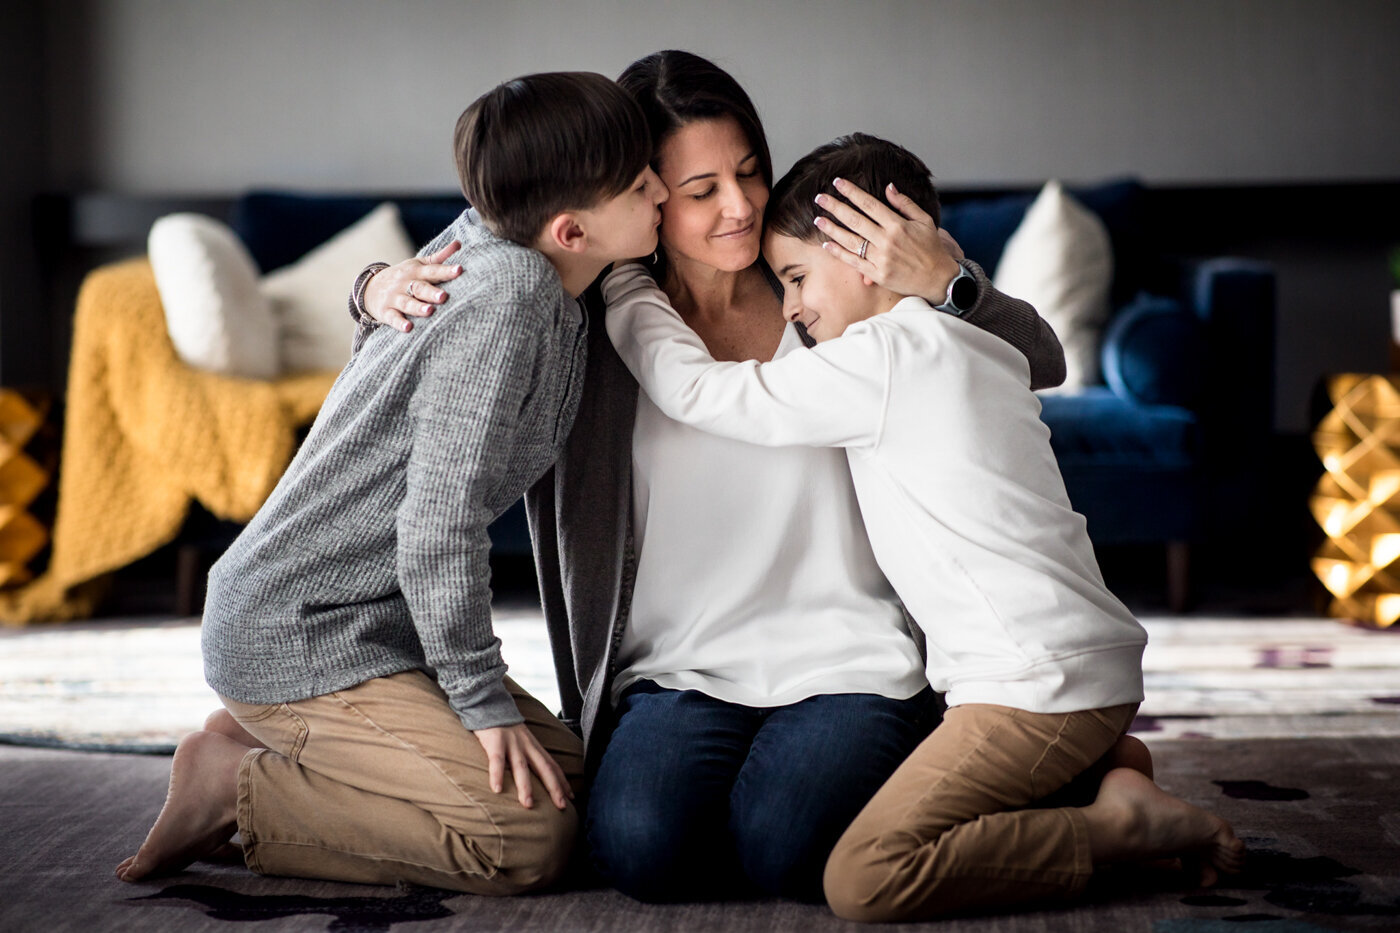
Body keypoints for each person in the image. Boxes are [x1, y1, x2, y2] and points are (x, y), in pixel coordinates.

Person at [357, 50, 1066, 903]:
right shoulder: (585, 314)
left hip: (851, 657)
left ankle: (1025, 785)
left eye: (750, 172)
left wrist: (947, 283)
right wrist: (371, 287)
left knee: (782, 847)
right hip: (675, 669)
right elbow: (483, 245)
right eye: (699, 192)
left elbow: (1036, 360)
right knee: (637, 852)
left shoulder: (828, 282)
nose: (739, 207)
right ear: (640, 191)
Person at [603, 132, 1246, 921]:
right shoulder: (966, 338)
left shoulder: (881, 357)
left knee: (864, 875)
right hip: (1066, 662)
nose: (794, 308)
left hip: (1028, 683)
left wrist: (625, 288)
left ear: (868, 249)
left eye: (799, 277)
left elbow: (704, 394)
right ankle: (1102, 768)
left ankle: (1113, 826)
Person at [114, 71, 669, 893]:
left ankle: (285, 746)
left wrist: (369, 286)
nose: (660, 188)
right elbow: (437, 526)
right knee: (527, 840)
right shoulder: (509, 295)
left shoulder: (506, 241)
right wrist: (477, 699)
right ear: (570, 229)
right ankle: (237, 784)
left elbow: (398, 323)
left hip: (384, 625)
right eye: (639, 183)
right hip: (299, 628)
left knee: (575, 781)